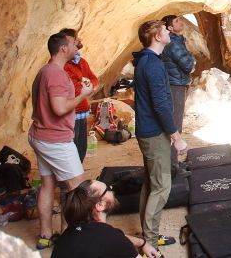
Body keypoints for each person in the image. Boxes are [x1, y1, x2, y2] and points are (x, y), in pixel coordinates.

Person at [28, 32, 95, 249]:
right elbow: (58, 109)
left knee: (48, 185)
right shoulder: (56, 74)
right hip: (55, 140)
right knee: (78, 188)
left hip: (40, 135)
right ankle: (73, 239)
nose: (78, 47)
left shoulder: (44, 71)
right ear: (63, 48)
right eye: (74, 44)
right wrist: (82, 95)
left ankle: (46, 235)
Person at [132, 20, 188, 250]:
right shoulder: (153, 65)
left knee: (151, 183)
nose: (168, 31)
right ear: (156, 36)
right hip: (154, 134)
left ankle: (149, 236)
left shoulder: (146, 60)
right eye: (165, 30)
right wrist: (176, 136)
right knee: (161, 187)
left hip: (148, 131)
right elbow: (162, 105)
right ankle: (151, 244)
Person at [53, 179, 160, 258]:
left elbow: (107, 238)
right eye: (108, 189)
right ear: (100, 205)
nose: (112, 191)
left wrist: (142, 243)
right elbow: (113, 239)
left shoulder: (66, 236)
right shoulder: (115, 241)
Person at [160, 15, 195, 167]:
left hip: (174, 84)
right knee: (175, 126)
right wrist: (193, 60)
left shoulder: (176, 41)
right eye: (176, 21)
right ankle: (172, 166)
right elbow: (188, 65)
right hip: (175, 86)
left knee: (173, 124)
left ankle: (171, 164)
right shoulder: (173, 43)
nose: (181, 22)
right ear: (169, 28)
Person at [59, 28, 99, 163]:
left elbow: (93, 78)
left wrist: (88, 86)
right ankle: (69, 181)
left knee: (81, 145)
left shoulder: (82, 62)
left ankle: (77, 176)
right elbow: (73, 90)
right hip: (71, 111)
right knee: (71, 147)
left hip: (82, 110)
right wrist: (86, 87)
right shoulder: (63, 65)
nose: (76, 45)